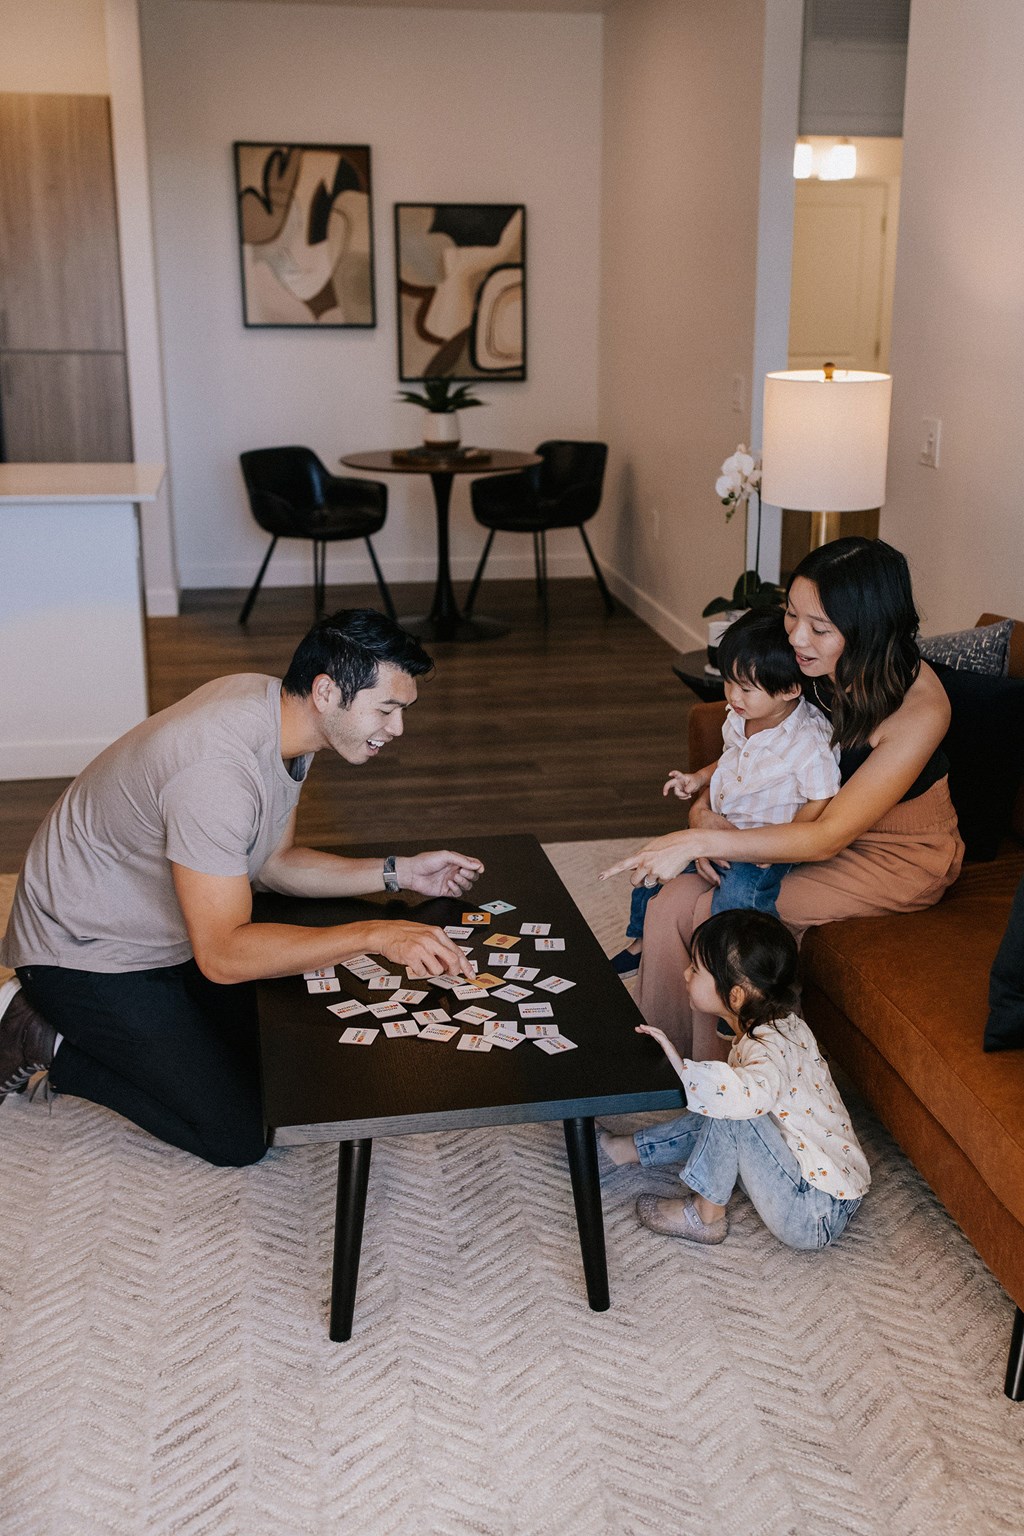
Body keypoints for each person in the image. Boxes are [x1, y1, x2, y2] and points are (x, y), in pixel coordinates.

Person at [0, 609, 484, 1165]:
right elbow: (224, 955)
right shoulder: (215, 773)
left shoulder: (281, 714)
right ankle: (38, 1034)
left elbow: (274, 863)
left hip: (168, 926)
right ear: (327, 691)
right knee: (238, 1134)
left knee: (287, 1063)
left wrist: (399, 871)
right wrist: (375, 933)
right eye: (387, 709)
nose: (397, 729)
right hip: (83, 951)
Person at [602, 538, 964, 1060]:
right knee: (669, 900)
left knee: (717, 915)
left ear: (869, 630)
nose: (796, 636)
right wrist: (705, 818)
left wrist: (701, 838)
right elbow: (742, 755)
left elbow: (827, 837)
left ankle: (720, 1091)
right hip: (798, 824)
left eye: (819, 628)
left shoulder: (919, 710)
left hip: (891, 856)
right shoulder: (802, 665)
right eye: (792, 614)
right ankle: (659, 1060)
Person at [598, 909, 870, 1248]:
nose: (685, 974)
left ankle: (705, 1214)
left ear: (736, 996)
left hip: (812, 1213)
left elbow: (735, 1101)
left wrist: (679, 1062)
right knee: (726, 1101)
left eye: (695, 969)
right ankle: (629, 1150)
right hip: (830, 1190)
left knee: (732, 1106)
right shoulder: (782, 1025)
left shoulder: (766, 1051)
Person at [610, 608, 839, 979]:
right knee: (652, 866)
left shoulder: (809, 743)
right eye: (729, 682)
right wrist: (699, 779)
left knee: (738, 903)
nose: (733, 696)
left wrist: (785, 842)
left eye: (746, 688)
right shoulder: (739, 716)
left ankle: (737, 980)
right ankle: (641, 942)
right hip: (721, 830)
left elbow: (820, 798)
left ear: (790, 689)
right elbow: (729, 757)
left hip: (764, 845)